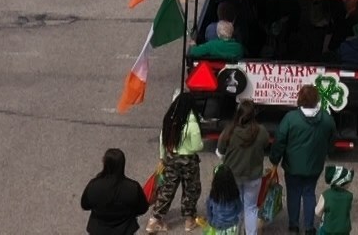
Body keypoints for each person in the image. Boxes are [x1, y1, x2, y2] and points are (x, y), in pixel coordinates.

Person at [269, 84, 335, 235]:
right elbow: (331, 140)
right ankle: (309, 227)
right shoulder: (327, 119)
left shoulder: (291, 118)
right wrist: (328, 152)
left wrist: (274, 160)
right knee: (309, 193)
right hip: (314, 166)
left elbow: (279, 141)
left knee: (293, 193)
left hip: (292, 166)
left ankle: (293, 225)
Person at [148, 92, 203, 232]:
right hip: (189, 161)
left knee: (167, 189)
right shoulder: (192, 123)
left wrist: (162, 157)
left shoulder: (169, 119)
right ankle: (189, 220)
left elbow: (162, 140)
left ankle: (154, 220)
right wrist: (189, 148)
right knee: (191, 189)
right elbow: (198, 146)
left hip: (171, 159)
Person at [216, 101, 269, 235]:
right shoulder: (261, 131)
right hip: (253, 176)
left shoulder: (229, 130)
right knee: (251, 208)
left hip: (232, 176)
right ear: (254, 114)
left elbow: (220, 152)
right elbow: (265, 146)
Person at [81, 147, 150, 235]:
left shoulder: (94, 185)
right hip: (125, 230)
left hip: (98, 230)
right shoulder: (132, 187)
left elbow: (85, 205)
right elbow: (142, 209)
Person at [319, 164, 354, 235]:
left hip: (328, 229)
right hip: (344, 230)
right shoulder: (349, 196)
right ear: (342, 183)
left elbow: (317, 212)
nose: (350, 184)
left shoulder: (326, 194)